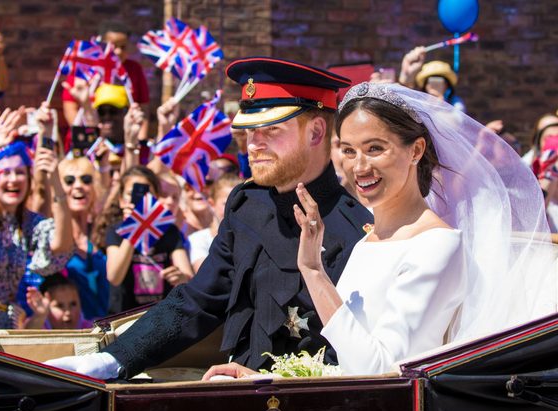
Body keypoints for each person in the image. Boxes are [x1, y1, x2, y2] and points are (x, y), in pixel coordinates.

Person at [46, 57, 373, 379]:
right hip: (228, 396)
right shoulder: (246, 205)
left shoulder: (358, 231)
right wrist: (114, 360)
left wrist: (266, 381)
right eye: (248, 130)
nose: (253, 144)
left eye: (270, 130)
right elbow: (198, 301)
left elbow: (351, 359)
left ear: (316, 132)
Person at [205, 82, 555, 379]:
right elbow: (345, 360)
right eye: (348, 150)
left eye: (375, 149)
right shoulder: (370, 237)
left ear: (415, 149)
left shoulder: (436, 244)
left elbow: (379, 371)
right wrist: (269, 378)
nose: (359, 166)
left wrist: (314, 272)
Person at [0, 111, 73, 329]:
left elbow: (61, 245)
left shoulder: (27, 222)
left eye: (20, 172)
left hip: (13, 325)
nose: (13, 180)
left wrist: (56, 181)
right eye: (5, 173)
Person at [103, 165, 192, 314]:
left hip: (159, 318)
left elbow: (188, 276)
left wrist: (181, 277)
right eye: (131, 193)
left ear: (156, 199)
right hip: (123, 319)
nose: (139, 199)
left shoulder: (169, 231)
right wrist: (133, 229)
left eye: (147, 193)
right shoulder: (115, 231)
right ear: (121, 200)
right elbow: (114, 277)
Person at [58, 155, 109, 320]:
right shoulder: (51, 235)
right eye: (69, 180)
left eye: (86, 180)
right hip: (71, 335)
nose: (78, 186)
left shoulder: (102, 233)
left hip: (109, 331)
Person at [189, 172, 242, 272]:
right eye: (226, 204)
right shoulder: (198, 239)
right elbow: (205, 274)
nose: (234, 209)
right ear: (212, 204)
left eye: (241, 204)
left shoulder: (251, 238)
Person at [24, 273, 93, 330]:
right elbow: (27, 335)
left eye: (73, 304)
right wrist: (40, 315)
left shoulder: (89, 328)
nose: (68, 312)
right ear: (47, 307)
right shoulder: (40, 325)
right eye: (60, 306)